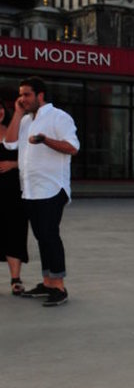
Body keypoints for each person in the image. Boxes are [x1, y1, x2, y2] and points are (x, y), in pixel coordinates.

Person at [4, 77, 80, 306]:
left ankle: (59, 287)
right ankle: (47, 283)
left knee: (49, 235)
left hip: (52, 188)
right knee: (41, 237)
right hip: (30, 190)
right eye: (20, 95)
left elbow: (73, 147)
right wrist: (17, 114)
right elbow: (9, 144)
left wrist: (45, 140)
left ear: (40, 95)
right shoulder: (25, 120)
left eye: (26, 94)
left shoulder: (59, 117)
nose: (22, 99)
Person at [0, 99, 29, 294]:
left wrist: (13, 164)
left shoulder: (16, 130)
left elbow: (30, 157)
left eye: (0, 108)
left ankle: (15, 279)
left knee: (15, 232)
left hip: (14, 191)